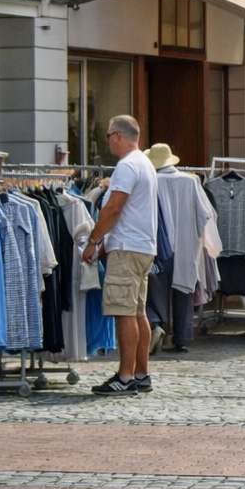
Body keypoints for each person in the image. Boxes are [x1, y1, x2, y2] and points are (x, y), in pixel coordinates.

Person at [84, 115, 159, 395]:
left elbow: (114, 208)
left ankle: (125, 377)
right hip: (141, 247)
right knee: (138, 312)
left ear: (117, 135)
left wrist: (93, 241)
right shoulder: (145, 163)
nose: (108, 141)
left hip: (128, 249)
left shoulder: (126, 166)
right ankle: (141, 373)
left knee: (123, 312)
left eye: (108, 135)